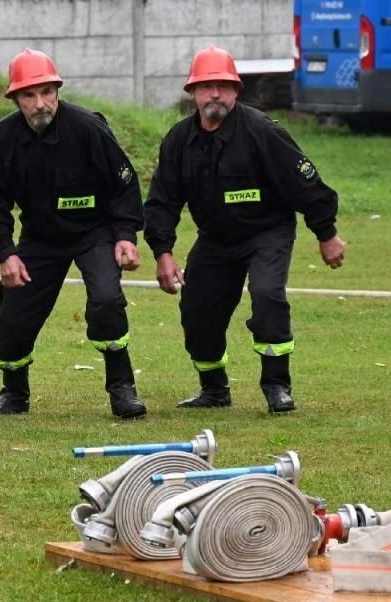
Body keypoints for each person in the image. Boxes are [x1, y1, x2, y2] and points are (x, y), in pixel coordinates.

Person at [144, 45, 345, 414]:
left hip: (267, 233)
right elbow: (162, 201)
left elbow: (305, 185)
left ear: (236, 90)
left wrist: (327, 234)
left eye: (223, 86)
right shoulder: (179, 140)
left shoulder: (262, 132)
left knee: (267, 295)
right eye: (206, 87)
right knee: (197, 309)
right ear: (193, 92)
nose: (214, 94)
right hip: (215, 239)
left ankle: (277, 386)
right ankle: (214, 390)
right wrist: (163, 252)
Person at [0, 49, 146, 418]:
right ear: (14, 98)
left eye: (47, 92)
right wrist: (6, 254)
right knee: (12, 316)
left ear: (57, 91)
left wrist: (125, 235)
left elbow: (124, 185)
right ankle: (14, 393)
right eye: (29, 95)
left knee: (106, 300)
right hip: (40, 238)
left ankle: (122, 388)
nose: (40, 103)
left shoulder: (88, 127)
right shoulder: (4, 138)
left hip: (95, 232)